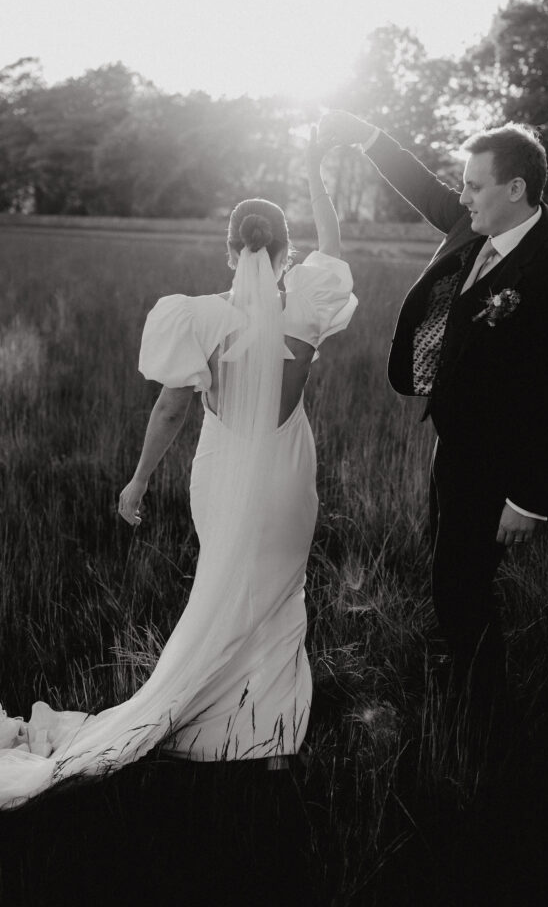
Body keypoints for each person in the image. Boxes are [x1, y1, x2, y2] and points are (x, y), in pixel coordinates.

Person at [0, 128, 356, 810]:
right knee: (282, 596)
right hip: (287, 478)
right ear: (285, 252)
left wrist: (137, 481)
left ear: (230, 250)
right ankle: (272, 743)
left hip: (221, 477)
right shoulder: (308, 302)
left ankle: (206, 717)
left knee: (222, 591)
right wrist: (315, 169)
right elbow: (333, 247)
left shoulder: (198, 318)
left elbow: (169, 410)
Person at [318, 111, 548, 704]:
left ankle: (482, 710)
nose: (461, 196)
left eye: (474, 184)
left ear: (515, 189)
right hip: (454, 440)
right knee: (448, 567)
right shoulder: (478, 226)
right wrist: (368, 139)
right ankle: (462, 665)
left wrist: (529, 500)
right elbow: (426, 190)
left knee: (462, 585)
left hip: (498, 462)